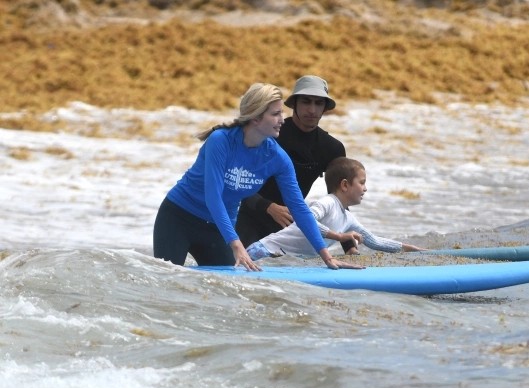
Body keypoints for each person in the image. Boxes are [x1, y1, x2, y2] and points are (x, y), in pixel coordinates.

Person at [153, 83, 363, 271]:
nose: (282, 120)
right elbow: (213, 197)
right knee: (167, 281)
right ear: (255, 117)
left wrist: (326, 256)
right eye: (275, 114)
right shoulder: (221, 141)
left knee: (226, 289)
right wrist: (236, 244)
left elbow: (299, 208)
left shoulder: (277, 157)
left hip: (217, 228)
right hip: (179, 218)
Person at [235, 75, 358, 254]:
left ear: (325, 108)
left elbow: (338, 203)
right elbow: (236, 182)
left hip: (289, 229)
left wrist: (348, 248)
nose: (312, 110)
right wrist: (269, 207)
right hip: (250, 218)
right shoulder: (269, 135)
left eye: (319, 103)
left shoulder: (331, 148)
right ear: (294, 104)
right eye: (306, 102)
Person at [246, 157, 427, 260]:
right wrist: (338, 236)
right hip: (263, 251)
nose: (365, 189)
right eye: (362, 183)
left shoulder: (347, 218)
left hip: (280, 259)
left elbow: (374, 241)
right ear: (345, 185)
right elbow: (306, 221)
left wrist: (415, 250)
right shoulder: (327, 203)